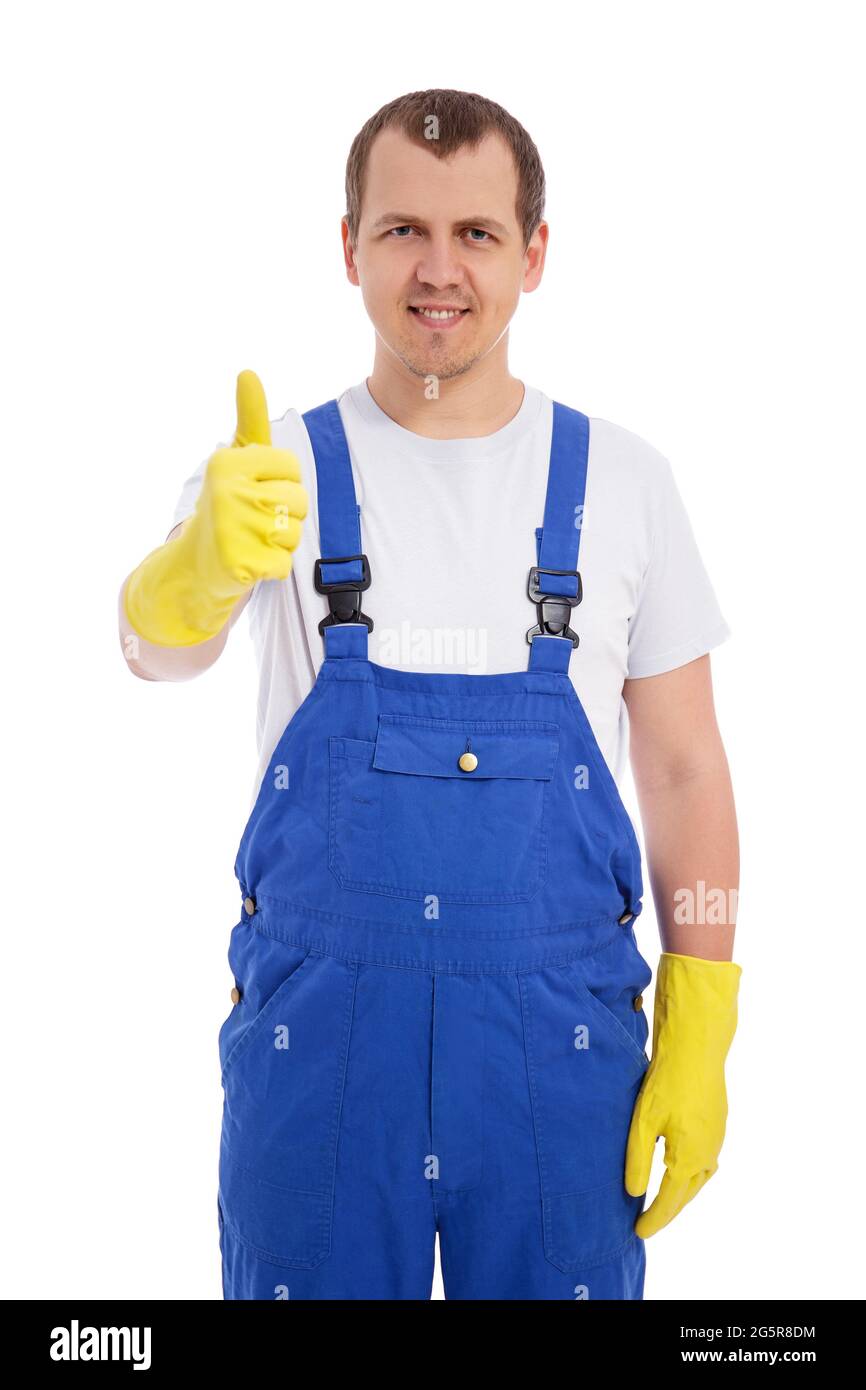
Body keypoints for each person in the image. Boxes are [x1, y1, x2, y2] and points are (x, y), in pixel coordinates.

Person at [119, 88, 742, 1301]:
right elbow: (151, 654)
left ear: (534, 253)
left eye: (476, 234)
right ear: (346, 246)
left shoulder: (624, 480)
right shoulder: (274, 468)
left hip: (555, 1056)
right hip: (321, 1052)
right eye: (402, 230)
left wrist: (703, 1011)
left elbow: (682, 766)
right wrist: (196, 569)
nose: (438, 268)